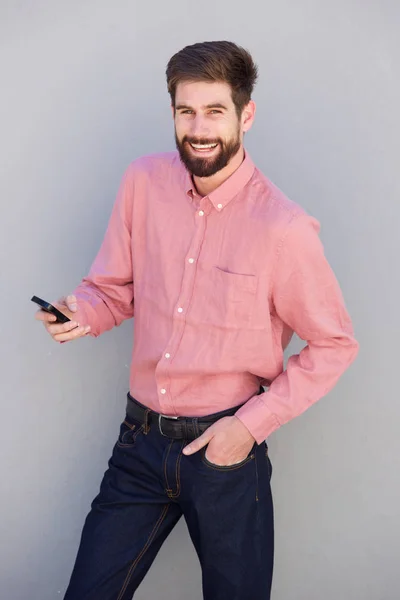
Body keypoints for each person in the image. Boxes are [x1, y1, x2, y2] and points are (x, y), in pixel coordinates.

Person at [35, 40, 359, 600]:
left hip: (225, 453)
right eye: (186, 111)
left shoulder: (283, 229)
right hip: (138, 444)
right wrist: (80, 313)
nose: (199, 127)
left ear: (246, 114)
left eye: (215, 111)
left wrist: (248, 428)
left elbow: (334, 344)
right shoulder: (142, 183)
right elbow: (113, 289)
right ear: (172, 112)